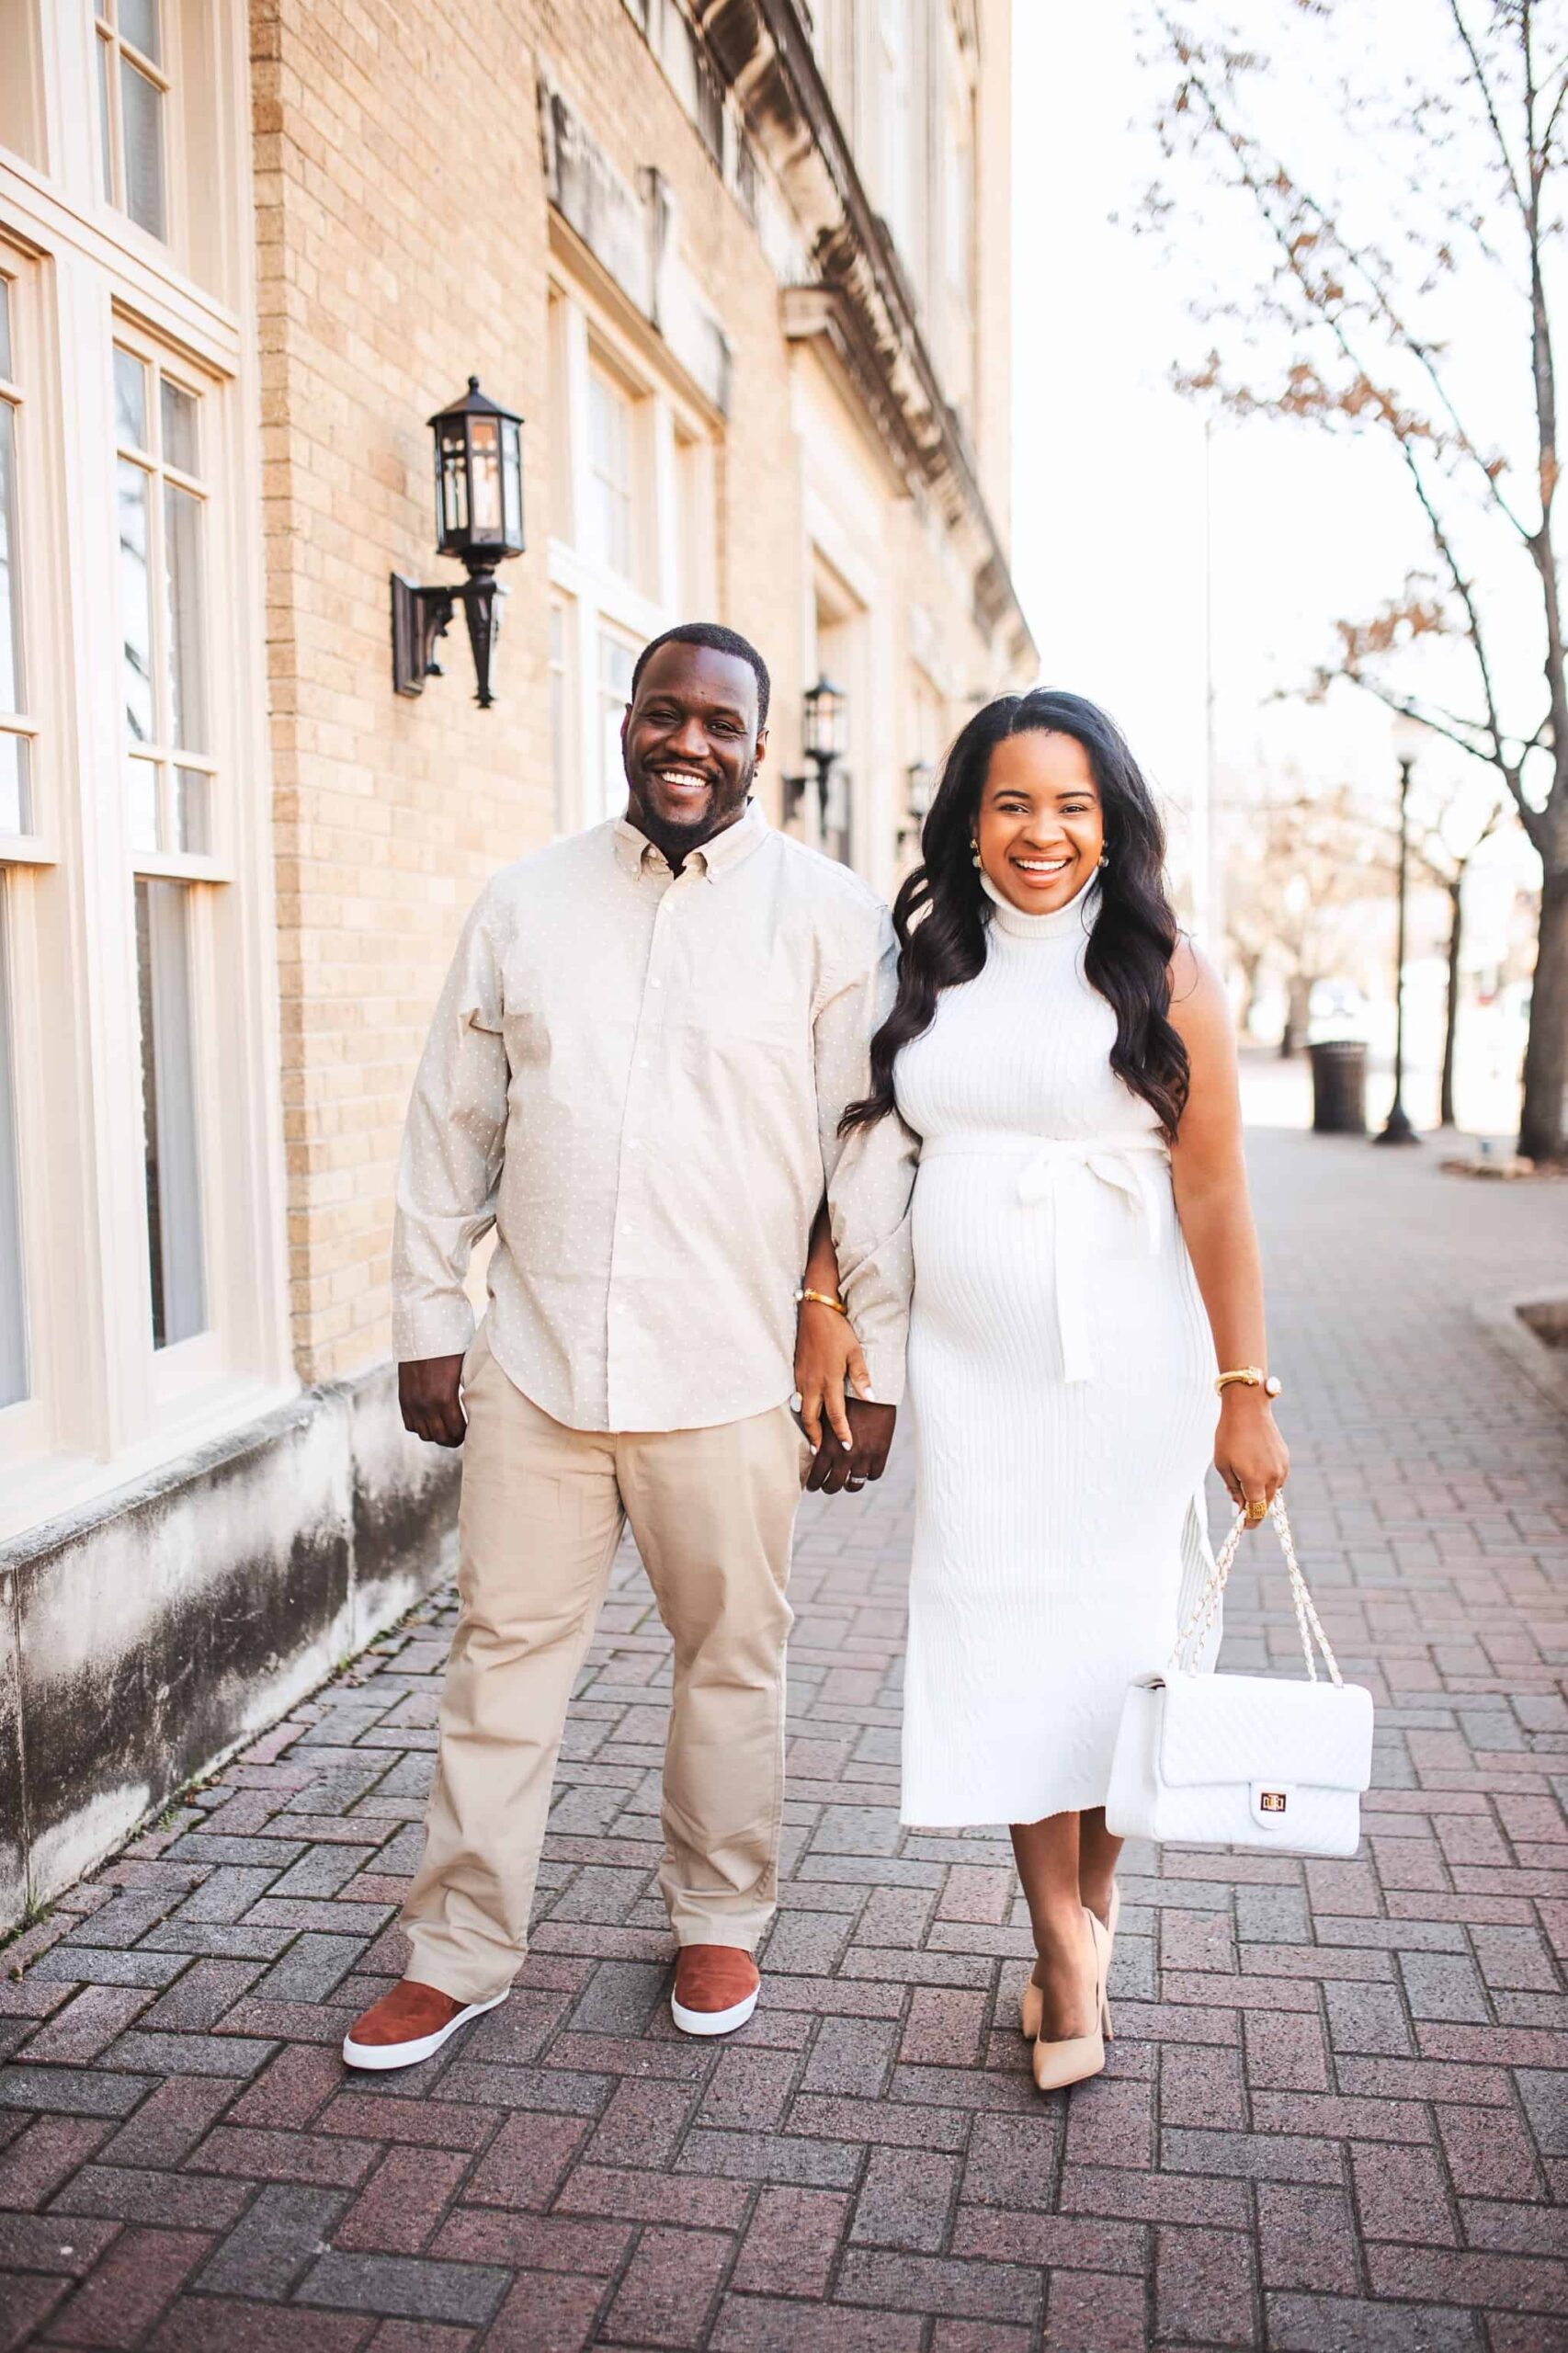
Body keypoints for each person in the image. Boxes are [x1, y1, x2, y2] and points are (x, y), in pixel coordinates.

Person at [344, 622, 915, 2072]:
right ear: (626, 721)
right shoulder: (523, 904)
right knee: (500, 1662)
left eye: (721, 724)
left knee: (732, 1657)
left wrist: (872, 1366)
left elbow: (869, 1160)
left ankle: (718, 1914)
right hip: (533, 1366)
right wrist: (426, 1322)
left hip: (726, 1375)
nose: (687, 744)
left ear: (758, 749)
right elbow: (449, 1125)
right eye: (665, 714)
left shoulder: (828, 919)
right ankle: (459, 1948)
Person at [799, 688, 1289, 2094]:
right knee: (1003, 1645)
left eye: (1071, 805)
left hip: (1134, 1369)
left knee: (1120, 1651)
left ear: (1109, 820)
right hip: (976, 1382)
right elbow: (861, 1150)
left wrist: (1240, 1391)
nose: (1041, 832)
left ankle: (1091, 1910)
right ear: (967, 817)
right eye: (1012, 802)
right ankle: (1057, 1939)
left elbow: (1213, 1190)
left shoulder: (1160, 966)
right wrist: (823, 1301)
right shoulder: (923, 965)